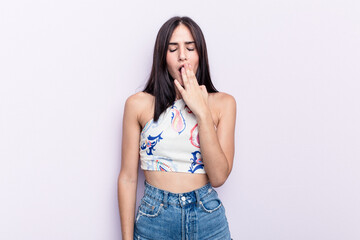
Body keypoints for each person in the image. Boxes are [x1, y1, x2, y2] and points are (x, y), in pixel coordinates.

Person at [118, 16, 236, 240]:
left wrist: (201, 110)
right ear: (162, 57)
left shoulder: (223, 104)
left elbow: (219, 176)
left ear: (200, 53)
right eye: (173, 49)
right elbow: (128, 178)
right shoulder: (138, 104)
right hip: (155, 218)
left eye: (190, 48)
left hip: (207, 216)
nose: (183, 55)